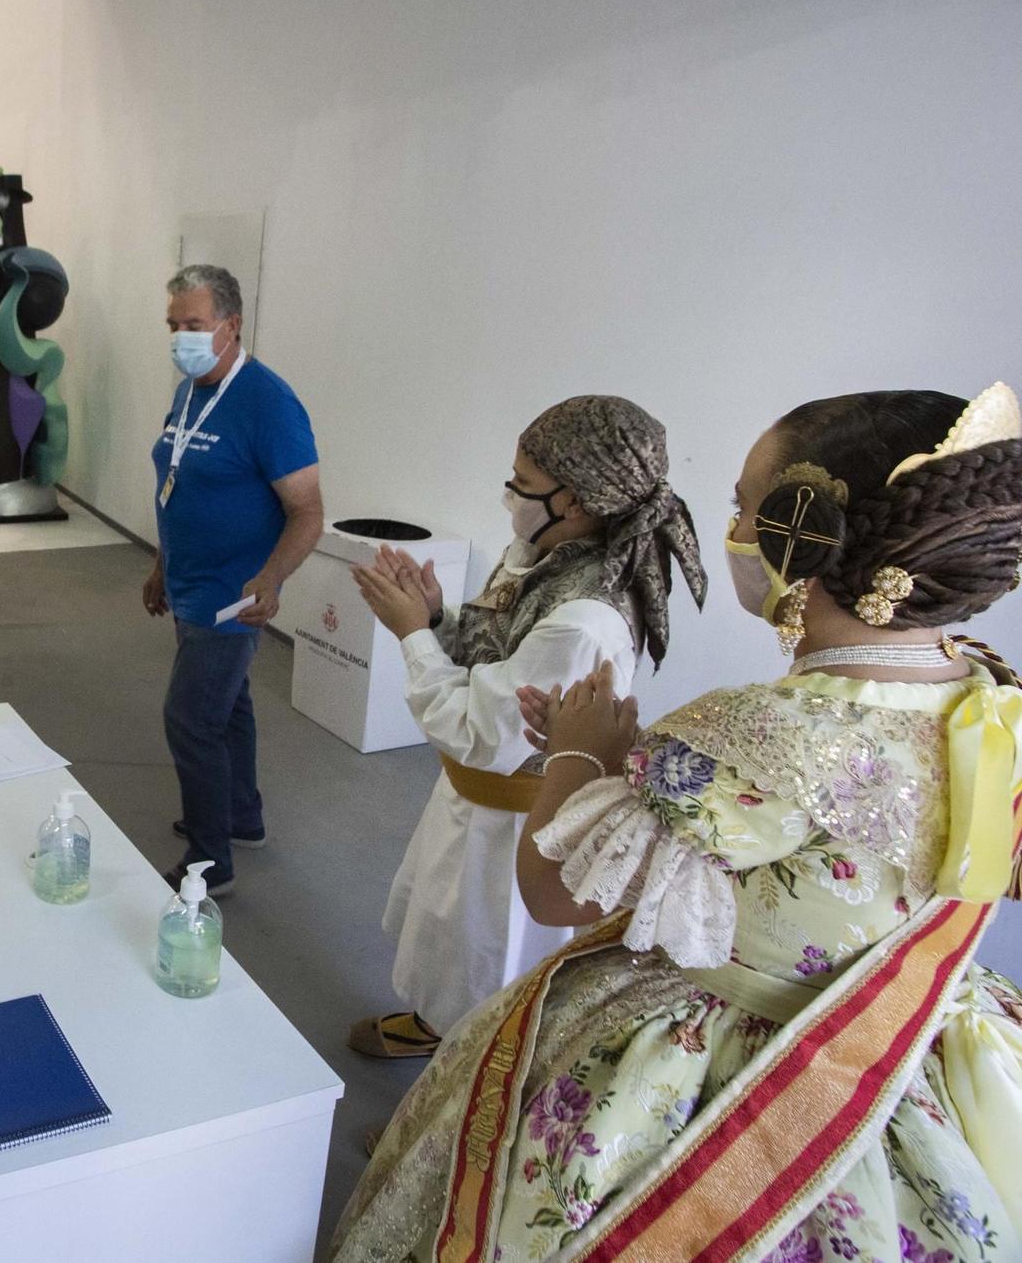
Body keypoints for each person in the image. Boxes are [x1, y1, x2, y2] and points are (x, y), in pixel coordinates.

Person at [333, 385, 1022, 1262]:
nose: (727, 525)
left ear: (797, 535)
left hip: (739, 1074)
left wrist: (582, 759)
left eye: (742, 506)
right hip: (925, 1047)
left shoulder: (748, 734)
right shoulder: (991, 698)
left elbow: (553, 889)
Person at [345, 397, 706, 1061]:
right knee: (451, 941)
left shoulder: (583, 618)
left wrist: (410, 635)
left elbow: (476, 731)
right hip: (479, 800)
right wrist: (436, 618)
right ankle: (438, 1024)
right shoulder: (557, 556)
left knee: (487, 962)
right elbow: (503, 659)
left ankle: (460, 1100)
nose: (510, 495)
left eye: (522, 484)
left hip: (513, 821)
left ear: (577, 501)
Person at [143, 264, 322, 898]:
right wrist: (162, 562)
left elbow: (308, 511)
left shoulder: (268, 402)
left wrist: (270, 582)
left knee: (190, 719)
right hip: (190, 582)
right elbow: (179, 478)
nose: (181, 338)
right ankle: (240, 816)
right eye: (173, 326)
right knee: (230, 705)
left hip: (233, 598)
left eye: (193, 325)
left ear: (231, 324)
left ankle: (209, 857)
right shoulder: (190, 388)